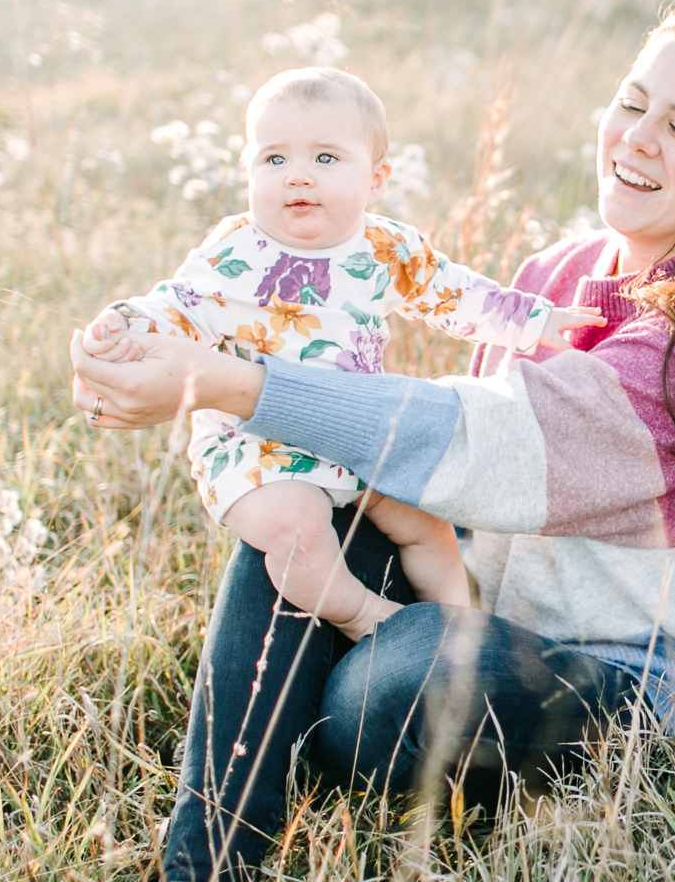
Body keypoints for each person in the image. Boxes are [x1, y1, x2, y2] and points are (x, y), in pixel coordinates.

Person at [70, 0, 675, 882]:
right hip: (483, 605)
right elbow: (431, 478)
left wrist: (224, 381)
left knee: (387, 696)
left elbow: (480, 443)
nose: (637, 140)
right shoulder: (558, 274)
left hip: (630, 682)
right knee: (297, 510)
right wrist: (139, 337)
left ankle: (318, 700)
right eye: (631, 103)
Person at [82, 66, 602, 633]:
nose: (297, 178)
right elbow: (177, 304)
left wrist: (535, 318)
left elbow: (454, 295)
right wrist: (125, 324)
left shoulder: (387, 246)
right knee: (301, 534)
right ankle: (365, 617)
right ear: (248, 170)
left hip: (354, 434)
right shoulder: (235, 250)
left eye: (325, 159)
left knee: (429, 526)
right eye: (274, 160)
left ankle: (459, 628)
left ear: (376, 179)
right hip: (257, 452)